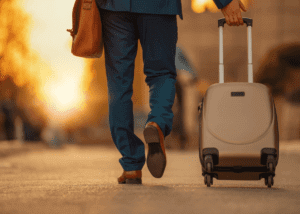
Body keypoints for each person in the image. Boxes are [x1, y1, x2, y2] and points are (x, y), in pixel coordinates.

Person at [95, 0, 247, 184]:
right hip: (159, 7)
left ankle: (131, 165)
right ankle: (157, 122)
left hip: (114, 8)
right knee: (161, 74)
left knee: (119, 84)